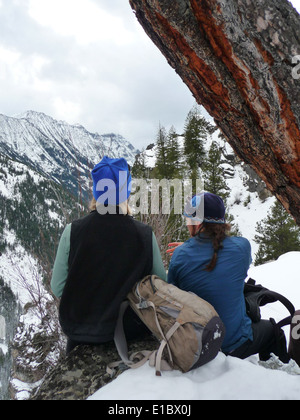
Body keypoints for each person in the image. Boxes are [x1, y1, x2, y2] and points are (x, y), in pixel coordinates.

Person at [51, 156, 167, 354]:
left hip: (80, 332)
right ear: (126, 191)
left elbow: (58, 287)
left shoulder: (73, 231)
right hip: (131, 333)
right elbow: (160, 285)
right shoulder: (144, 234)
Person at [167, 192, 290, 363]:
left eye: (189, 220)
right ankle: (278, 373)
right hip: (236, 343)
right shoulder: (242, 247)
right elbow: (221, 260)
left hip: (200, 346)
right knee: (272, 331)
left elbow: (172, 293)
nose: (188, 226)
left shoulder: (180, 256)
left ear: (198, 224)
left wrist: (187, 249)